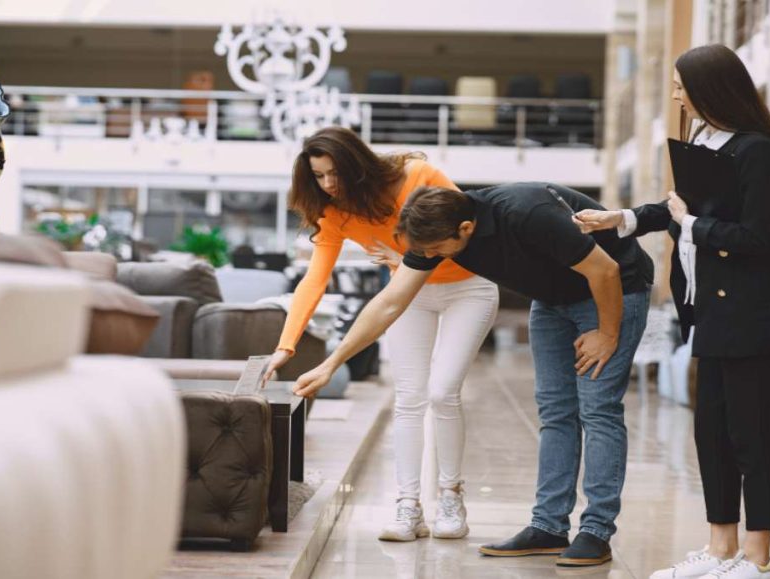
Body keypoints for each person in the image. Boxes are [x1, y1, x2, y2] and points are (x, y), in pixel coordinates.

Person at [294, 182, 654, 567]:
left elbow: (606, 269)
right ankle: (549, 527)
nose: (430, 256)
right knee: (555, 411)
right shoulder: (435, 231)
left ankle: (596, 532)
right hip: (553, 301)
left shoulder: (528, 213)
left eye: (435, 250)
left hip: (614, 291)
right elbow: (389, 303)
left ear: (465, 229)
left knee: (597, 410)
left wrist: (607, 333)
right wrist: (331, 363)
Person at [576, 44, 770, 579]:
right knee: (713, 435)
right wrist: (622, 218)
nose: (677, 94)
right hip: (708, 312)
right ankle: (721, 550)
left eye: (682, 86)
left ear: (711, 88)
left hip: (752, 314)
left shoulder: (759, 152)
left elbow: (758, 237)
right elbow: (678, 207)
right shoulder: (705, 141)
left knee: (752, 437)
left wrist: (694, 225)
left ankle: (759, 560)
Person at [265, 127, 500, 542]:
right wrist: (287, 344)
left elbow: (471, 230)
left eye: (334, 172)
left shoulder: (417, 176)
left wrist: (409, 256)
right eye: (319, 176)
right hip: (408, 293)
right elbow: (314, 280)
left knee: (443, 392)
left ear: (357, 163)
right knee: (409, 397)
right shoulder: (333, 214)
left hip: (469, 287)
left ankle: (451, 497)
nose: (328, 184)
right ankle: (408, 506)